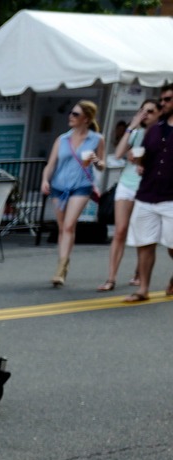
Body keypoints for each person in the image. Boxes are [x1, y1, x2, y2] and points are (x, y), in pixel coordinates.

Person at [40, 100, 103, 287]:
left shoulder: (97, 139)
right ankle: (63, 261)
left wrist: (96, 161)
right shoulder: (62, 139)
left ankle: (61, 268)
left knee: (68, 225)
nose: (71, 117)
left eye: (75, 114)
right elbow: (51, 164)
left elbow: (102, 165)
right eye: (71, 113)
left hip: (81, 186)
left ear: (86, 119)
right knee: (62, 228)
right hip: (59, 186)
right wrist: (45, 180)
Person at [101, 100, 160, 292]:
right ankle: (111, 278)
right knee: (120, 230)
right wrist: (131, 128)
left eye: (150, 112)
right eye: (142, 111)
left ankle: (138, 273)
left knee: (141, 233)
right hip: (127, 184)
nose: (145, 115)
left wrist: (145, 162)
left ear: (159, 114)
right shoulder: (135, 133)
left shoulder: (161, 134)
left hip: (146, 187)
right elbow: (118, 154)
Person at [125, 85, 173, 304]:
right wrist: (138, 161)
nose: (163, 103)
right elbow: (145, 156)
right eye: (162, 99)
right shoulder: (154, 129)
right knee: (145, 243)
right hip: (147, 193)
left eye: (168, 99)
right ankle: (143, 288)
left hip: (171, 197)